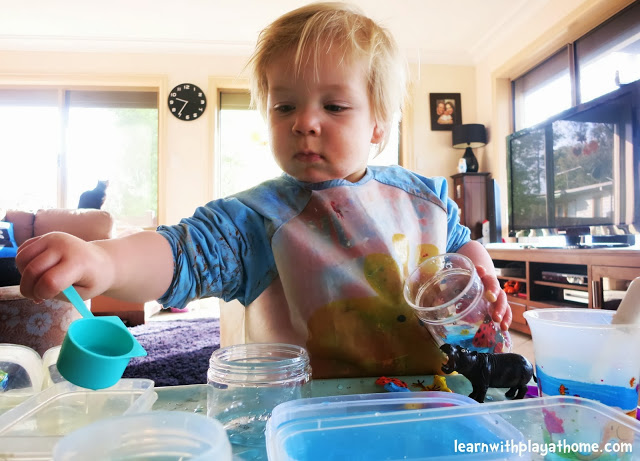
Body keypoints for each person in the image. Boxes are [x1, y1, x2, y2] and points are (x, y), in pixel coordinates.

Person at [16, 2, 511, 379]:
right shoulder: (258, 216)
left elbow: (459, 246)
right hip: (309, 409)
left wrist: (483, 276)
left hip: (434, 390)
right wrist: (104, 262)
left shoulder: (423, 198)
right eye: (284, 107)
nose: (305, 123)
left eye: (335, 107)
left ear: (378, 126)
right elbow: (181, 252)